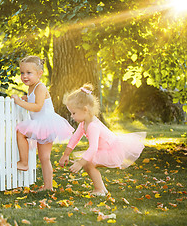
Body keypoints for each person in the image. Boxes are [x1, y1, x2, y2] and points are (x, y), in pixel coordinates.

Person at [59, 83, 146, 196]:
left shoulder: (92, 126)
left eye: (73, 113)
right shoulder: (84, 123)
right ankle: (102, 189)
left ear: (85, 110)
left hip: (111, 151)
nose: (72, 116)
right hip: (104, 149)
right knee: (88, 163)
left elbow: (93, 148)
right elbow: (75, 138)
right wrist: (66, 154)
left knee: (88, 163)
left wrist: (80, 163)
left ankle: (99, 189)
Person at [11, 55, 74, 191]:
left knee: (20, 132)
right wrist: (27, 98)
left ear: (39, 74)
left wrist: (20, 102)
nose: (24, 76)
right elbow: (34, 101)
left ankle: (23, 162)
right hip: (42, 125)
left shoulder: (40, 87)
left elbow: (38, 107)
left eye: (29, 73)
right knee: (44, 158)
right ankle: (48, 186)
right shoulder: (32, 88)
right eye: (22, 73)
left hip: (45, 124)